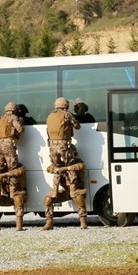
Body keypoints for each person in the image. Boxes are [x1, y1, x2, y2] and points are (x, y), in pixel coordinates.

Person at [43, 96, 88, 230]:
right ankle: (83, 222)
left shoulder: (50, 116)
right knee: (74, 185)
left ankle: (49, 222)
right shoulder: (66, 114)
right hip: (64, 146)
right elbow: (77, 126)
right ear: (65, 106)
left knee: (56, 173)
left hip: (52, 148)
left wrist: (58, 169)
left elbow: (48, 133)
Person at [0, 101, 26, 231]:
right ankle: (18, 223)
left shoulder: (0, 118)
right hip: (9, 145)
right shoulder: (13, 118)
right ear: (14, 110)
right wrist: (21, 126)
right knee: (13, 169)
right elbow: (20, 129)